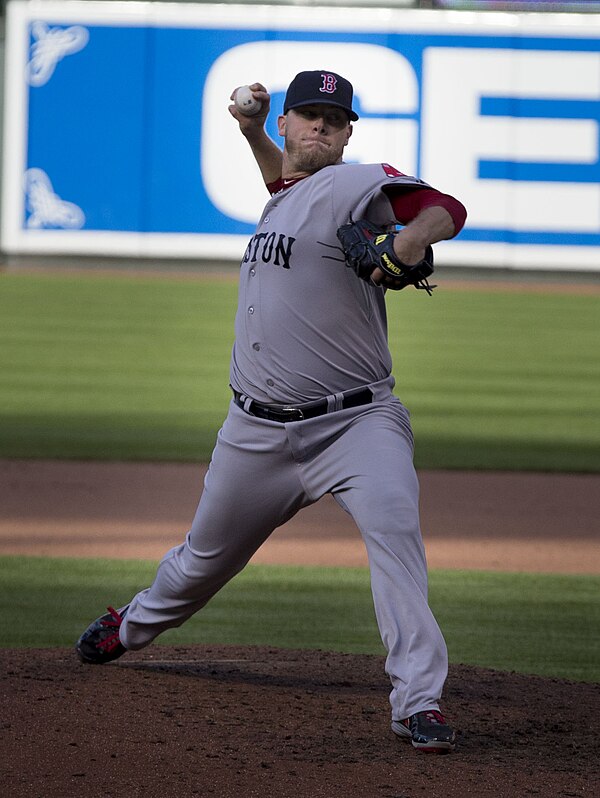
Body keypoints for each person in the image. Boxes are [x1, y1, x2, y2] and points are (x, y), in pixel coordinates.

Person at [76, 70, 467, 754]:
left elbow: (443, 209)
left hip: (357, 424)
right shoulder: (286, 197)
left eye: (334, 119)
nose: (320, 126)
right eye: (308, 115)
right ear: (287, 124)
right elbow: (286, 184)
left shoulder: (358, 182)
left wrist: (404, 244)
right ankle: (131, 625)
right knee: (201, 562)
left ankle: (419, 701)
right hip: (254, 433)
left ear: (348, 136)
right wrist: (250, 131)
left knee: (396, 540)